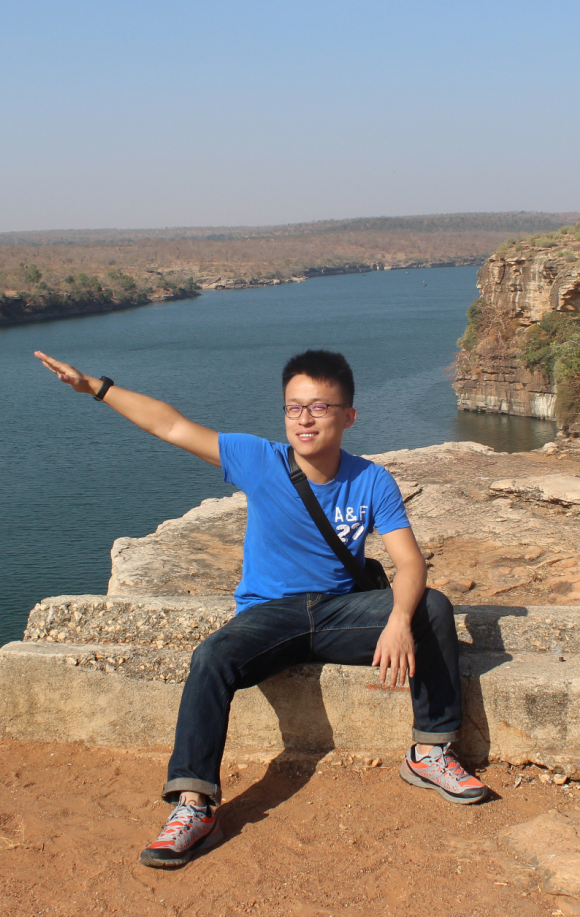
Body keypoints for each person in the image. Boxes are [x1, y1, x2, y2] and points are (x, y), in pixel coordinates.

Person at [34, 347, 486, 869]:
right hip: (271, 616)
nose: (305, 419)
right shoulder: (259, 459)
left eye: (319, 407)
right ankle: (194, 805)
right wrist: (96, 386)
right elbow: (170, 426)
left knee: (432, 607)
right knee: (211, 657)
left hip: (339, 613)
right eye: (294, 407)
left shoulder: (371, 480)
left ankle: (429, 752)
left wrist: (398, 622)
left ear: (348, 416)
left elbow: (410, 564)